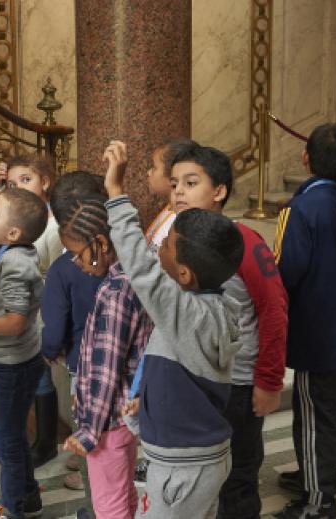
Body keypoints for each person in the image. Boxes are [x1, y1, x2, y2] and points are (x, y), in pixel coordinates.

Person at [104, 140, 245, 519]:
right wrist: (146, 404)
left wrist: (116, 194)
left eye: (165, 245)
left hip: (182, 466)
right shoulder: (217, 305)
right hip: (202, 457)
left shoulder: (186, 313)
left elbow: (140, 268)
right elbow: (182, 371)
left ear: (183, 275)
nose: (158, 247)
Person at [165, 142, 288, 519]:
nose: (179, 192)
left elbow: (274, 310)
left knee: (238, 472)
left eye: (190, 182)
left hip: (236, 381)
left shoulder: (244, 242)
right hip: (192, 378)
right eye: (174, 184)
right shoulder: (172, 239)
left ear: (218, 191)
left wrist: (268, 381)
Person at [272, 123, 336, 519]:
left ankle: (318, 500)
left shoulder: (300, 208)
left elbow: (285, 271)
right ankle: (325, 472)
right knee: (332, 408)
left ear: (305, 157)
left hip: (315, 332)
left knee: (311, 414)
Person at [60, 196, 153, 519]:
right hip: (121, 418)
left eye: (78, 253)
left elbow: (105, 372)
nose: (76, 262)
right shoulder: (134, 277)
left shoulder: (115, 294)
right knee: (123, 494)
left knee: (109, 506)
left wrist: (89, 430)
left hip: (108, 423)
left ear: (100, 243)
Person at [0, 186, 48, 519]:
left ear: (14, 232)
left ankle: (14, 508)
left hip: (15, 363)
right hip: (3, 357)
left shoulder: (16, 263)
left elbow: (15, 322)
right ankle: (28, 497)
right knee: (11, 431)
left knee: (7, 440)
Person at [0, 155, 63, 468]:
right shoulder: (10, 220)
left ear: (45, 181)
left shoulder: (52, 226)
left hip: (34, 316)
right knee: (16, 384)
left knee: (40, 380)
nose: (19, 187)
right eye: (13, 183)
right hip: (14, 312)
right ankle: (12, 442)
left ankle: (45, 442)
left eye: (26, 180)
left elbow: (56, 277)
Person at [41, 172, 108, 519]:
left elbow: (54, 327)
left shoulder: (62, 270)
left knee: (89, 437)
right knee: (116, 440)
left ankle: (96, 507)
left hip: (83, 368)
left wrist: (50, 350)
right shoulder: (125, 262)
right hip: (125, 369)